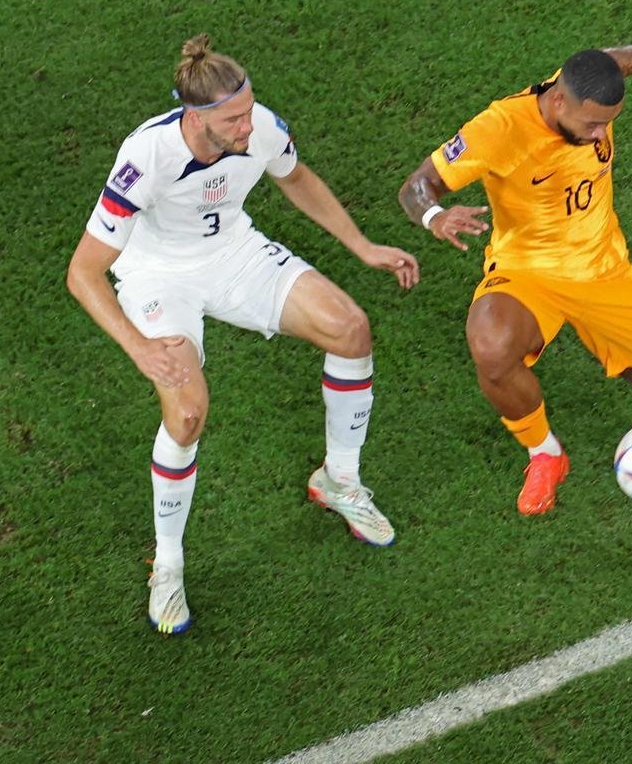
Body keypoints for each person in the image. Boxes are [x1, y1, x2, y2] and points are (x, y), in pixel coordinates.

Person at [68, 34, 419, 634]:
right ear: (194, 117)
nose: (248, 126)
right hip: (159, 276)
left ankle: (339, 479)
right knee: (186, 414)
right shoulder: (145, 157)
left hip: (233, 253)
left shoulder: (259, 129)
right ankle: (169, 566)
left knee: (351, 329)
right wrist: (142, 346)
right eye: (234, 118)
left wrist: (361, 246)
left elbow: (296, 176)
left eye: (250, 110)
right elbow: (84, 271)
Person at [398, 12, 632, 543]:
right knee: (490, 345)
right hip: (527, 273)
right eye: (593, 125)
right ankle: (545, 453)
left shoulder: (583, 87)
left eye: (609, 123)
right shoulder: (499, 129)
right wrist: (437, 218)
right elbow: (416, 187)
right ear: (558, 101)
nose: (602, 134)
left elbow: (615, 59)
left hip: (605, 273)